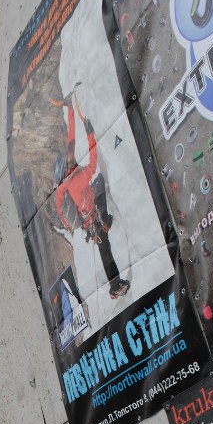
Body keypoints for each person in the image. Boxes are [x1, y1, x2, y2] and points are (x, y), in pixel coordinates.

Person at [54, 98, 130, 301]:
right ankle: (114, 286)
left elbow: (71, 140)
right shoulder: (78, 178)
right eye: (70, 160)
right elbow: (93, 161)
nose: (72, 158)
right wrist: (90, 134)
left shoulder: (67, 184)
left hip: (89, 218)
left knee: (104, 243)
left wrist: (70, 110)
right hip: (93, 219)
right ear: (68, 167)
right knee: (105, 249)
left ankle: (106, 221)